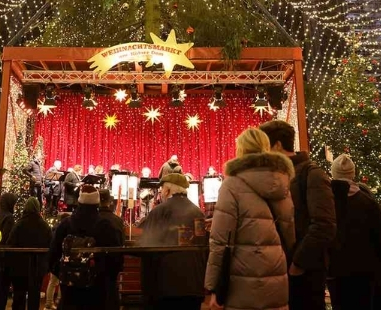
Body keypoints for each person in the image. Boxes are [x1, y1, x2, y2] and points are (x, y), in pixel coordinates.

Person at [205, 127, 296, 310]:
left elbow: (220, 241)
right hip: (276, 270)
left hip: (241, 277)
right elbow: (289, 232)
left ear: (241, 149)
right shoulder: (282, 182)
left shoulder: (232, 184)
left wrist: (213, 286)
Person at [259, 119, 335, 310]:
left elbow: (324, 225)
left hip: (304, 273)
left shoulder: (312, 174)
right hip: (278, 272)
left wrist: (298, 264)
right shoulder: (275, 176)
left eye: (264, 147)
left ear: (276, 145)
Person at [326, 155, 381, 310]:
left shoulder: (325, 200)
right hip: (364, 272)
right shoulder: (367, 202)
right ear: (353, 174)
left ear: (333, 173)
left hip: (335, 270)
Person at [48, 185, 124, 310]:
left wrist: (64, 273)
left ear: (79, 201)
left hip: (70, 291)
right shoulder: (106, 227)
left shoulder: (65, 225)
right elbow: (116, 260)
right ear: (97, 202)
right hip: (99, 291)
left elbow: (52, 256)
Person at [139, 173, 207, 310]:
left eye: (162, 189)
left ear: (168, 190)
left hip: (164, 285)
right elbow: (203, 245)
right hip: (193, 284)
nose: (161, 193)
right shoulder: (198, 212)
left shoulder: (159, 211)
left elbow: (146, 245)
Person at [6, 198, 52, 310]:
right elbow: (50, 245)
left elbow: (10, 244)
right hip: (38, 266)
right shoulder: (44, 226)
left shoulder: (19, 225)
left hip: (19, 266)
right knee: (34, 295)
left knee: (19, 294)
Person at [44, 212, 70, 310]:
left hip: (55, 259)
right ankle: (57, 301)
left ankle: (49, 302)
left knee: (53, 281)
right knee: (58, 281)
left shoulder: (55, 229)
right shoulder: (64, 230)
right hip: (61, 259)